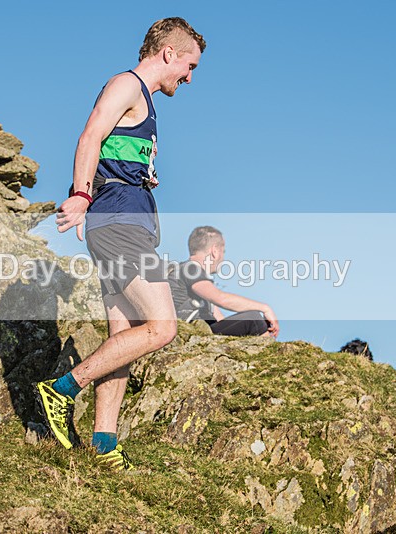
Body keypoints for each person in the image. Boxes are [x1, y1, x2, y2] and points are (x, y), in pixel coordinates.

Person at [37, 18, 206, 470]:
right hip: (118, 223)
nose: (189, 78)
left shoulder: (144, 102)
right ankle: (62, 390)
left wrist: (140, 175)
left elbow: (110, 149)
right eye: (189, 66)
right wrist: (80, 194)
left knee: (123, 337)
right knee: (162, 326)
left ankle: (104, 445)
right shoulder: (127, 85)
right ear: (168, 53)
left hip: (125, 220)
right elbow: (90, 135)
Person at [169, 226, 280, 337]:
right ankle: (270, 347)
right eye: (223, 252)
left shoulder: (196, 279)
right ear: (215, 251)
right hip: (192, 333)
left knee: (254, 322)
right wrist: (265, 308)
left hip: (205, 332)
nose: (223, 258)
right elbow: (221, 299)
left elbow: (221, 320)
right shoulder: (190, 268)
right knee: (254, 319)